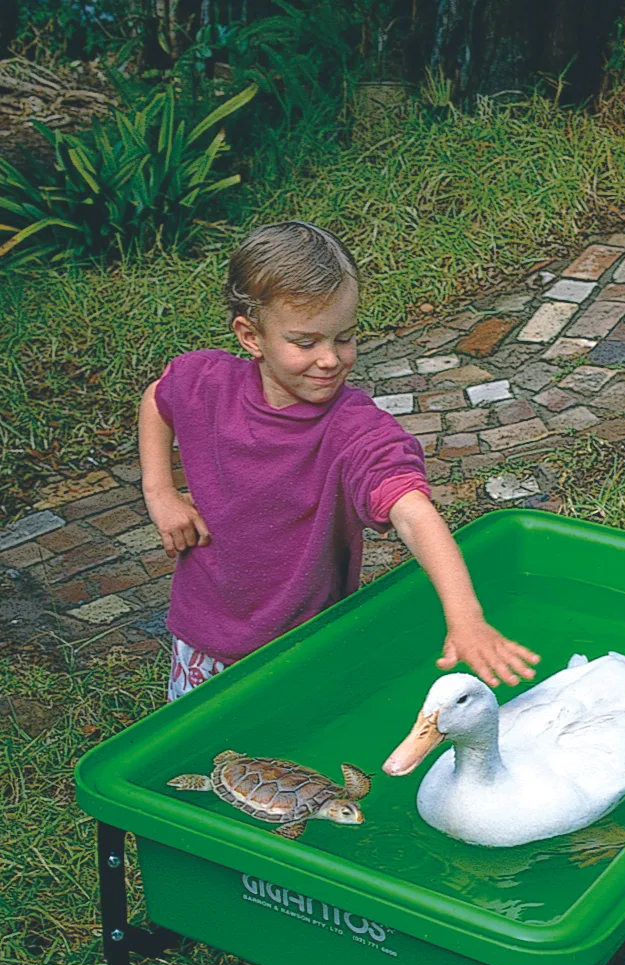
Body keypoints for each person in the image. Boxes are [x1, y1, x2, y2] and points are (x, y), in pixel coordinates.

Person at [138, 219, 539, 701]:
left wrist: (465, 618)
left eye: (344, 337)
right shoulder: (207, 384)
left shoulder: (356, 432)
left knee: (291, 758)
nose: (329, 359)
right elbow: (158, 398)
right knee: (197, 762)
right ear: (250, 336)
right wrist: (160, 492)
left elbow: (413, 513)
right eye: (306, 343)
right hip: (201, 635)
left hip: (305, 646)